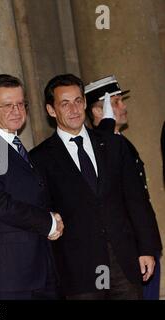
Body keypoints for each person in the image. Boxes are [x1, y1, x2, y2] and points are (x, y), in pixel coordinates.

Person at [29, 74, 160, 300]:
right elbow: (40, 211)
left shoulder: (113, 144)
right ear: (51, 110)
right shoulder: (39, 159)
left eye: (78, 101)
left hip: (124, 262)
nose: (74, 109)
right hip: (78, 271)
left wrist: (147, 248)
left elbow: (136, 200)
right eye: (65, 103)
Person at [0, 74, 64, 300]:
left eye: (20, 104)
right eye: (7, 105)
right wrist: (48, 221)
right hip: (9, 276)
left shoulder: (17, 147)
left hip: (41, 268)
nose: (16, 111)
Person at [84, 75, 162, 300]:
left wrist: (148, 244)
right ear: (98, 111)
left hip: (143, 244)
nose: (123, 106)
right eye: (115, 102)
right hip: (128, 250)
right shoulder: (99, 147)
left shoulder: (122, 142)